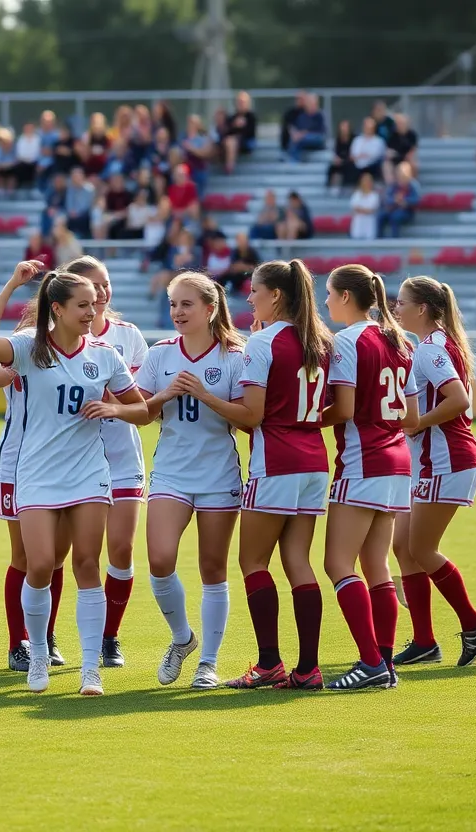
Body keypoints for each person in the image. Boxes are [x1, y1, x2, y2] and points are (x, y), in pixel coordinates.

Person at [0, 261, 150, 696]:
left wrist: (116, 410)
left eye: (94, 303)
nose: (93, 312)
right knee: (40, 565)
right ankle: (35, 656)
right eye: (83, 305)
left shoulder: (106, 355)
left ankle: (90, 668)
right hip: (36, 474)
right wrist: (13, 283)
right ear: (58, 308)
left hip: (89, 475)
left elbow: (142, 410)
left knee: (88, 564)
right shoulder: (31, 349)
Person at [179, 261, 333, 692]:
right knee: (299, 562)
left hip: (276, 462)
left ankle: (269, 664)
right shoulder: (320, 342)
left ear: (276, 296)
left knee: (252, 562)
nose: (249, 299)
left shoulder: (262, 343)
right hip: (313, 460)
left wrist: (204, 395)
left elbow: (252, 415)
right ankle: (308, 669)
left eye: (255, 291)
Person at [129, 273, 246, 690]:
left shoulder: (235, 355)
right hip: (171, 473)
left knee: (213, 569)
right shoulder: (160, 354)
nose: (178, 312)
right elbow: (141, 414)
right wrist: (163, 397)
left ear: (210, 309)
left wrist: (205, 394)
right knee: (160, 560)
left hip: (219, 475)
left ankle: (208, 664)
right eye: (173, 304)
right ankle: (183, 640)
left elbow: (250, 420)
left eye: (187, 304)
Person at [320, 264, 419, 691]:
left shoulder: (347, 341)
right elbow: (412, 416)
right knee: (375, 565)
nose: (325, 302)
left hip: (363, 462)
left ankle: (370, 661)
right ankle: (385, 664)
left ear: (345, 297)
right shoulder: (399, 340)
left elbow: (343, 409)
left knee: (337, 563)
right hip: (397, 461)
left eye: (329, 294)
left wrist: (301, 421)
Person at [391, 277, 476, 668]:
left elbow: (460, 400)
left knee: (420, 549)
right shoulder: (435, 344)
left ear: (422, 309)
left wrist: (416, 423)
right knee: (403, 547)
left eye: (401, 303)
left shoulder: (430, 350)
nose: (396, 309)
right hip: (431, 460)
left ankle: (472, 621)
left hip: (446, 459)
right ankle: (424, 641)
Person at [64, 255, 149, 667]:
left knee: (122, 547)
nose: (102, 293)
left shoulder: (128, 336)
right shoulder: (51, 338)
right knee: (78, 556)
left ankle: (108, 637)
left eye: (106, 284)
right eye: (93, 285)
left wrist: (113, 401)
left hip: (121, 456)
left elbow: (139, 402)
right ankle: (47, 639)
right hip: (72, 460)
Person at [0, 302, 71, 672]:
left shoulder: (75, 352)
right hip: (16, 464)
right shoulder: (22, 348)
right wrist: (19, 361)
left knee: (55, 559)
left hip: (64, 466)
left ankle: (46, 636)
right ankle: (17, 642)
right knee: (25, 557)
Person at [349, 173, 380, 240]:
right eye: (365, 181)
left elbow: (371, 210)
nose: (366, 183)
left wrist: (361, 209)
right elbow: (354, 207)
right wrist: (364, 210)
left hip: (369, 223)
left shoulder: (374, 195)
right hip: (358, 223)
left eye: (368, 181)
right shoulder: (357, 194)